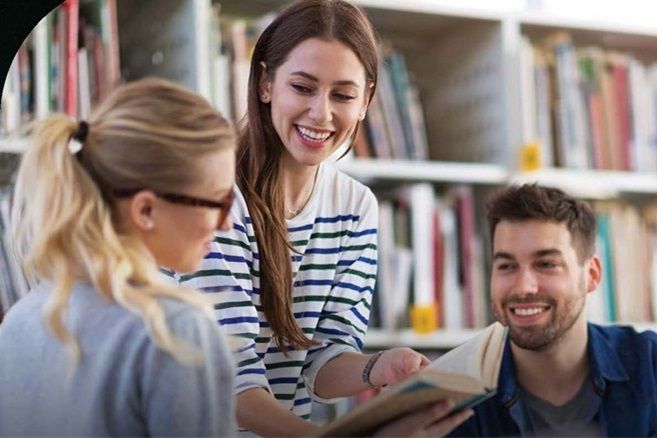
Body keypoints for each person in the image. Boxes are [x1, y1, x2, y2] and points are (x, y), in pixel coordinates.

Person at [177, 0, 472, 435]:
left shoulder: (356, 208)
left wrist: (379, 366)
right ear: (264, 83)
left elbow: (320, 364)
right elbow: (231, 383)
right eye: (302, 87)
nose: (322, 113)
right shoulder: (213, 195)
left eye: (343, 95)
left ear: (367, 100)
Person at [0, 78, 238, 436]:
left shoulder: (20, 321)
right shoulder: (175, 332)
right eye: (218, 202)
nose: (227, 223)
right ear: (145, 210)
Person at [450, 184, 657, 436]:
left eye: (546, 264)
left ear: (591, 275)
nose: (524, 287)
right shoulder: (453, 394)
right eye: (506, 266)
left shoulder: (650, 365)